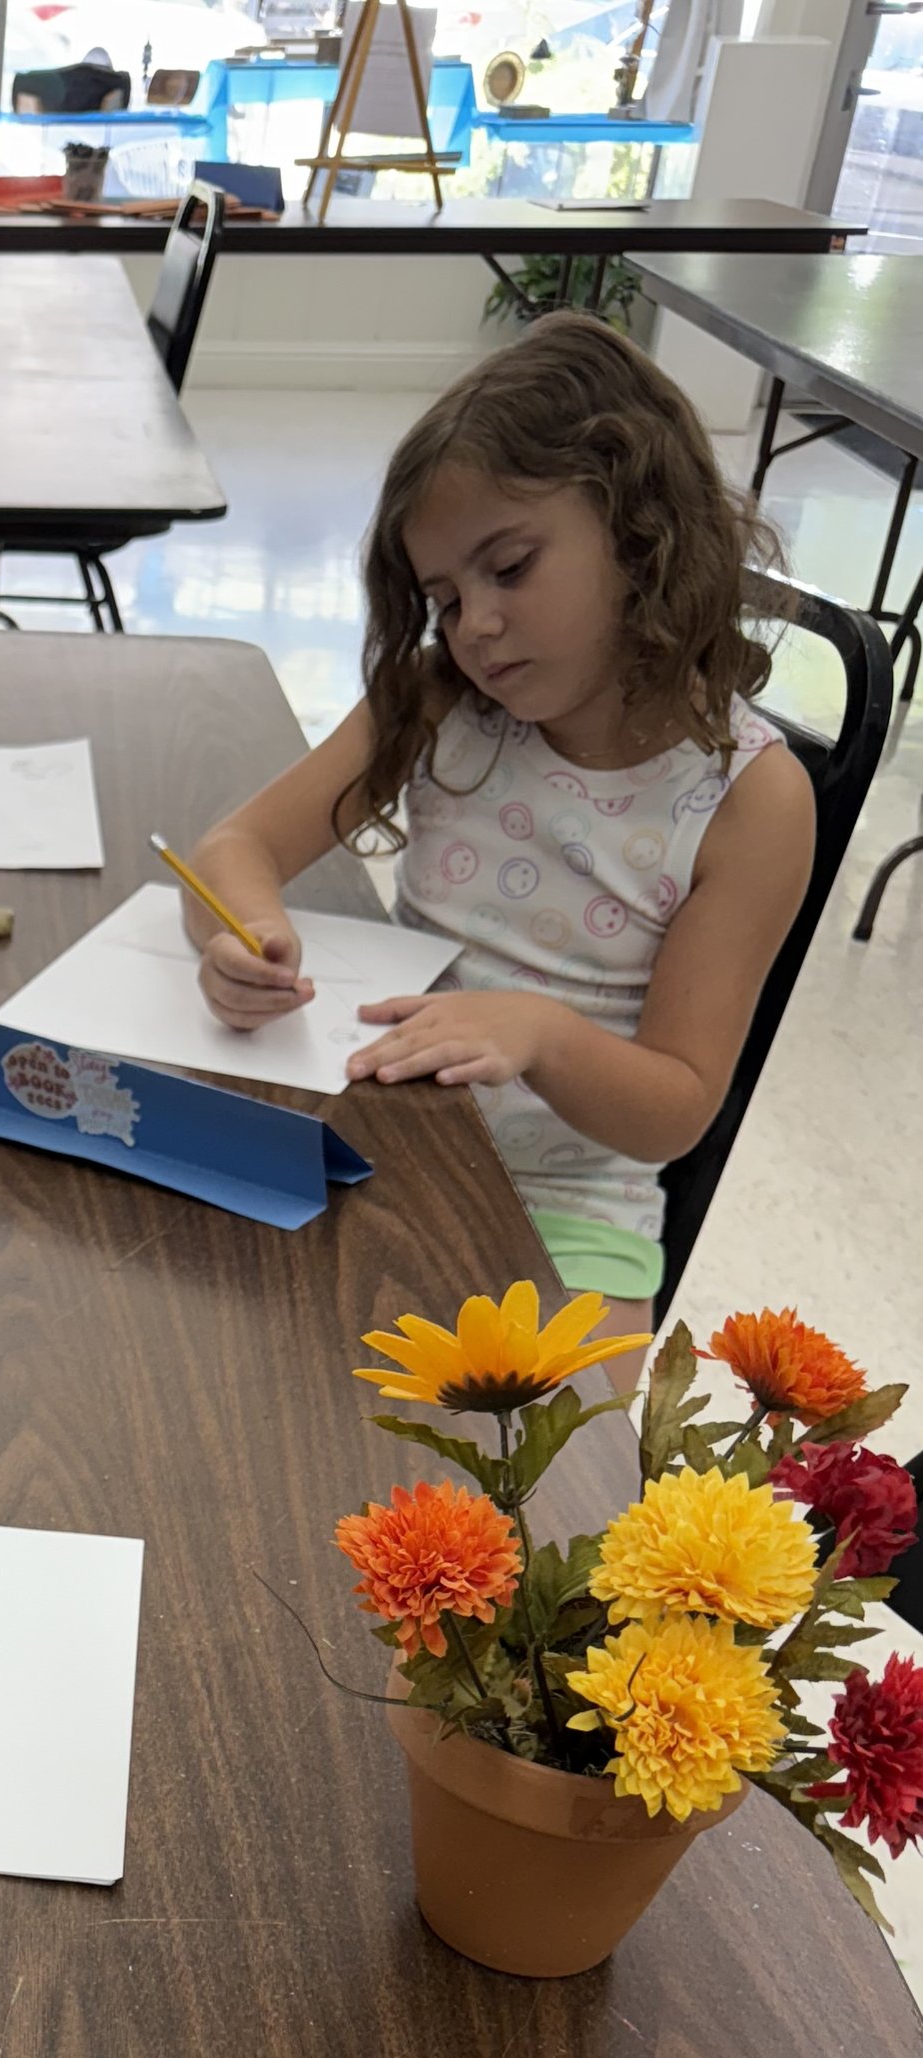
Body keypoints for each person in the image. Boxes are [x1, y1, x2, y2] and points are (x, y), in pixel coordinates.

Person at [181, 312, 814, 1337]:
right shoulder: (440, 701)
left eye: (510, 567)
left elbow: (674, 1108)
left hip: (573, 1219)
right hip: (381, 1143)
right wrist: (239, 932)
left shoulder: (748, 798)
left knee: (542, 1483)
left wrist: (544, 1036)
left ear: (638, 530)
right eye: (442, 596)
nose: (472, 624)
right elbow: (233, 849)